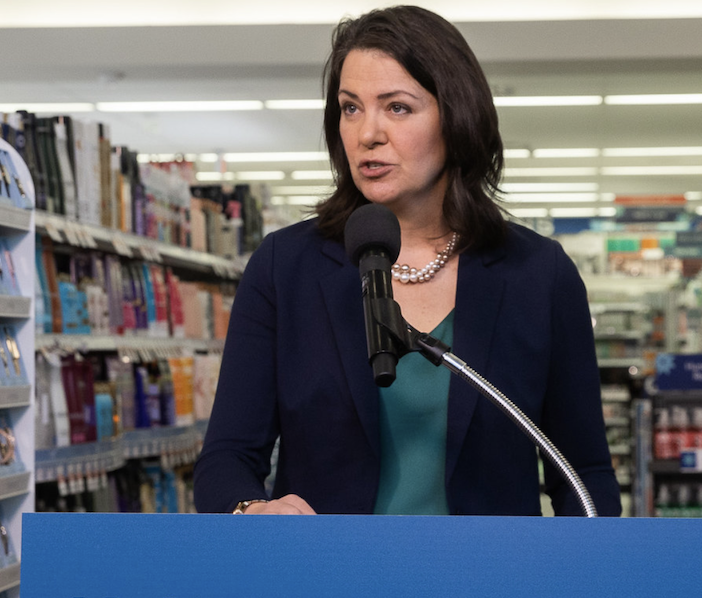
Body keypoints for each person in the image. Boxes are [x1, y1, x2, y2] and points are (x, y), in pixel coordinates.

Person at [194, 5, 622, 517]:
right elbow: (226, 458)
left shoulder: (538, 274)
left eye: (397, 107)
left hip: (492, 581)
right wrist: (250, 510)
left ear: (456, 116)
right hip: (331, 577)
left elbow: (583, 472)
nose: (367, 133)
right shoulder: (285, 267)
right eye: (350, 108)